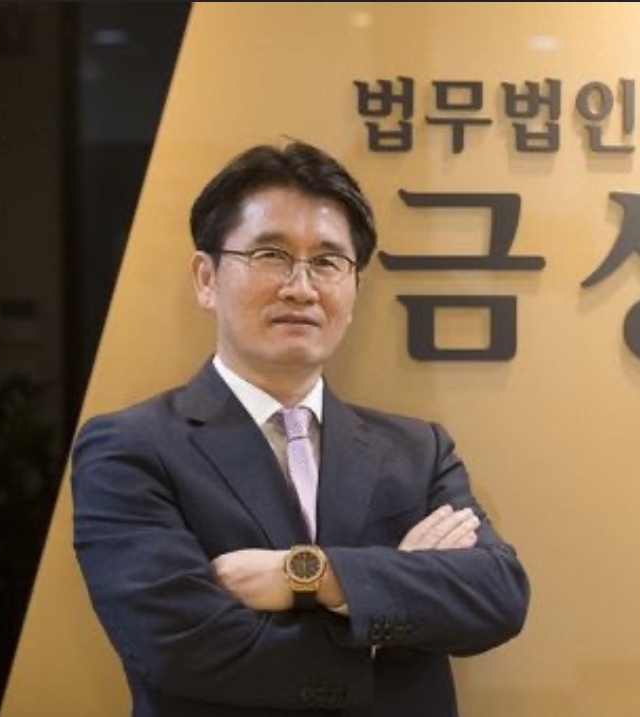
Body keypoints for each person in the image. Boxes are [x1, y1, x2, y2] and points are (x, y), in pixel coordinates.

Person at [71, 139, 530, 717]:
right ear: (206, 277)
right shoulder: (131, 447)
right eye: (271, 255)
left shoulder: (418, 451)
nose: (301, 287)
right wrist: (390, 615)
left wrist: (307, 577)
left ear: (355, 288)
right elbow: (181, 644)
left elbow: (496, 595)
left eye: (328, 262)